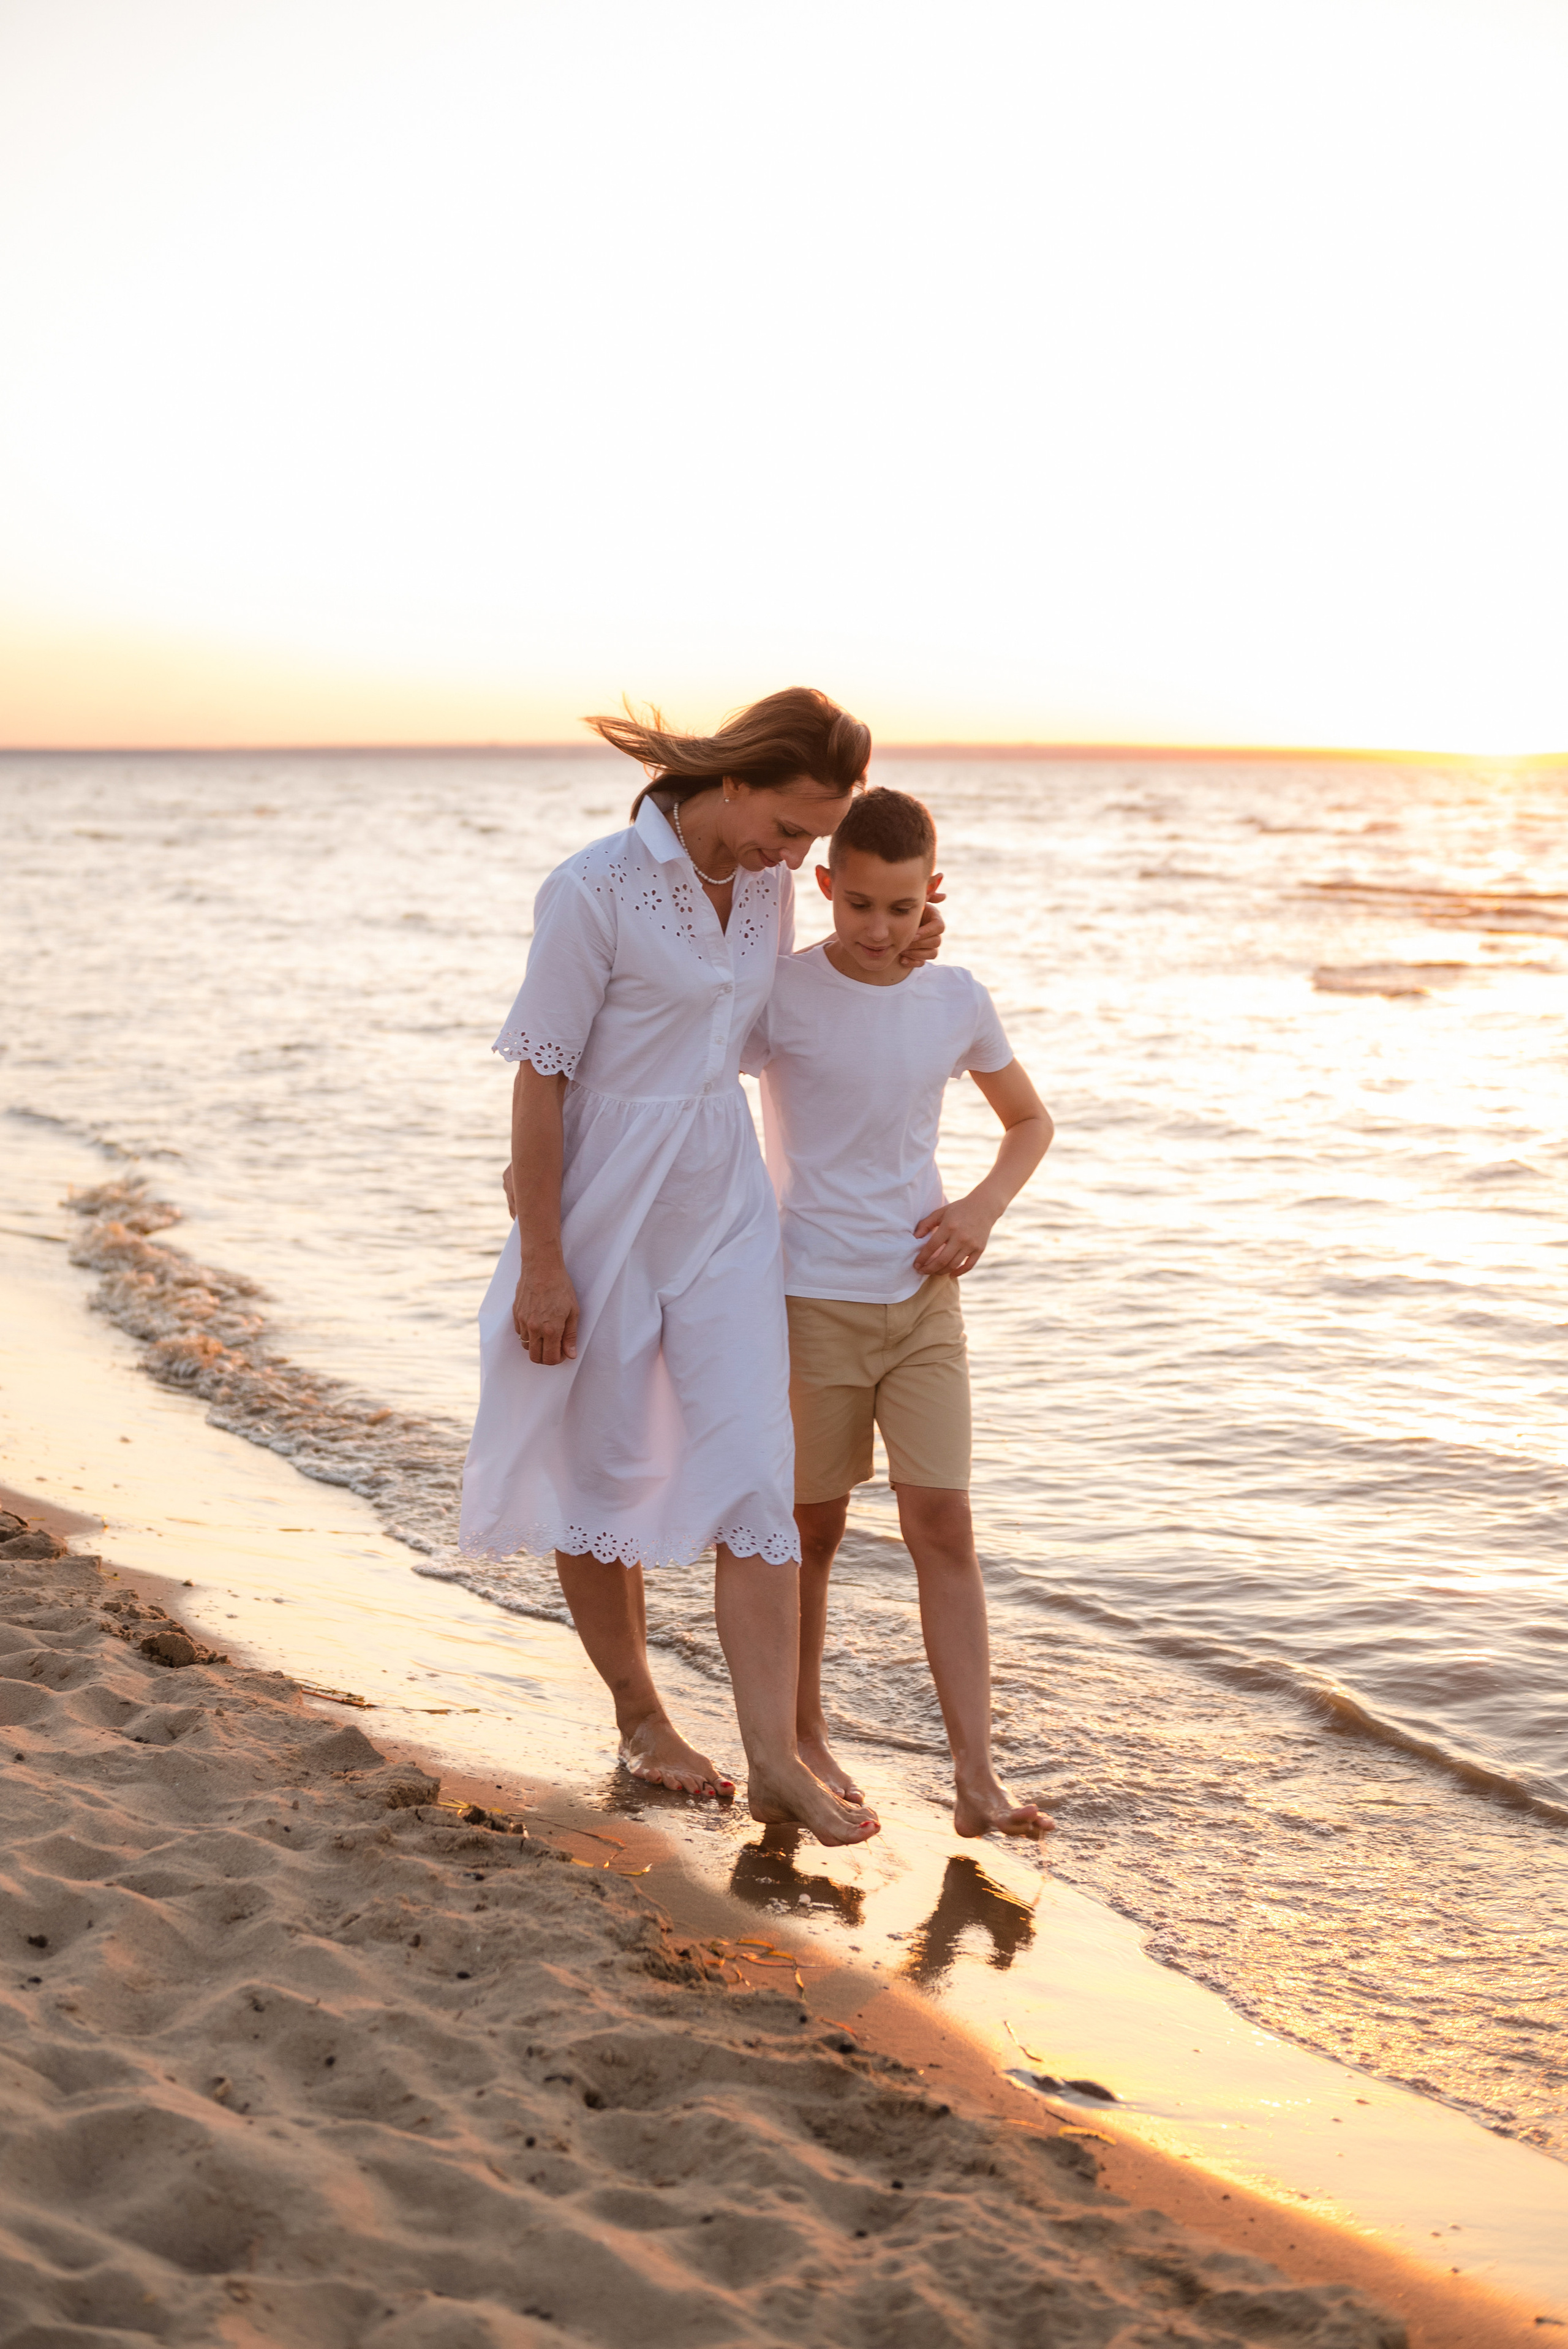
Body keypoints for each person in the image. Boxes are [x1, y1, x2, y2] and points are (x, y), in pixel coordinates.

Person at [461, 690, 937, 1847]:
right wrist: (544, 1259)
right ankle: (641, 1715)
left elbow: (755, 1035)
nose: (798, 856)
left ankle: (773, 1754)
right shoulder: (595, 889)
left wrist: (887, 956)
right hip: (603, 1201)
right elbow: (541, 1076)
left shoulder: (769, 888)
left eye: (814, 839)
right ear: (736, 783)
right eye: (792, 828)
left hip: (722, 1194)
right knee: (605, 1460)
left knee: (753, 1466)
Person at [742, 786, 1055, 1840]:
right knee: (808, 1534)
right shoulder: (779, 995)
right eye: (861, 904)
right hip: (809, 1298)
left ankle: (977, 1779)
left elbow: (1027, 1122)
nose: (880, 930)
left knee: (944, 1526)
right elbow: (680, 1065)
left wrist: (979, 1206)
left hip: (924, 1300)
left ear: (935, 896)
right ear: (825, 886)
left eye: (903, 906)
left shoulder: (955, 995)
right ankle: (804, 1733)